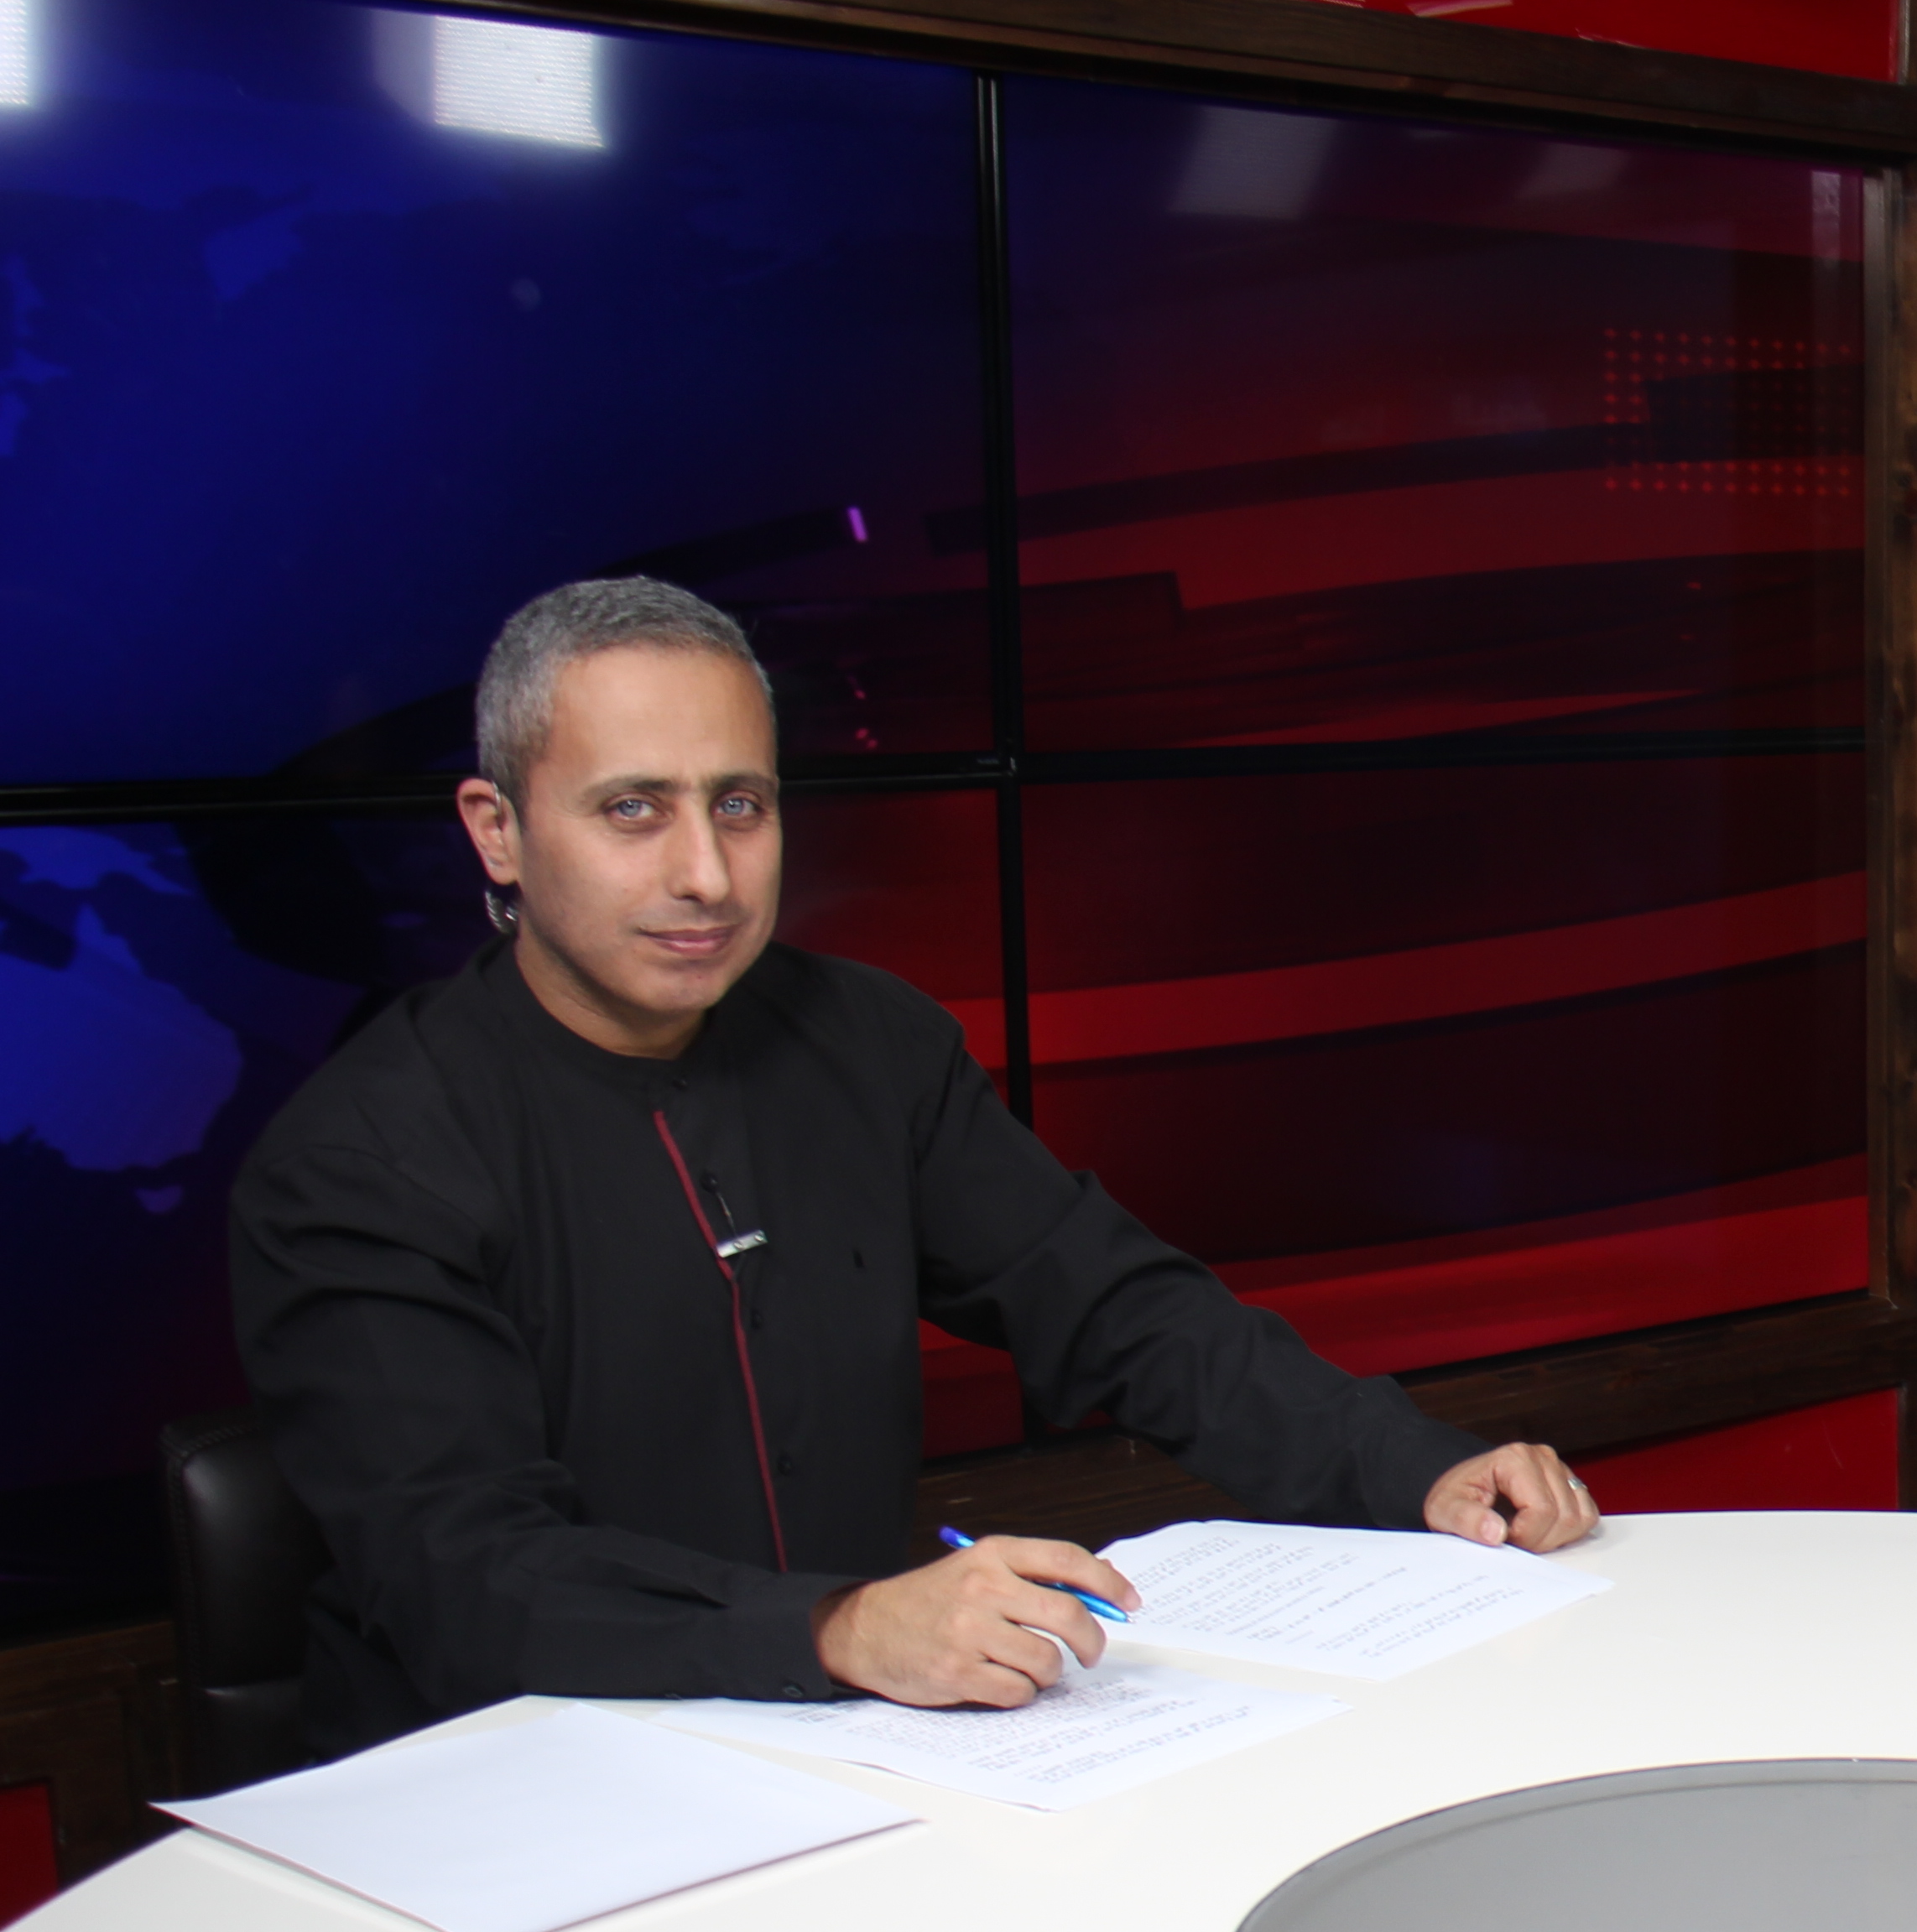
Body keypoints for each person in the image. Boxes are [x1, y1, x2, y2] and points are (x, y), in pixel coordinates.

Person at [232, 577, 1601, 1760]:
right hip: (509, 1786)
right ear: (497, 829)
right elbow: (465, 1576)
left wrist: (1406, 1468)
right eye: (633, 809)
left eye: (740, 805)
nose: (707, 873)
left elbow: (1116, 1307)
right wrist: (838, 1628)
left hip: (850, 1745)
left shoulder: (864, 1041)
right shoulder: (360, 1161)